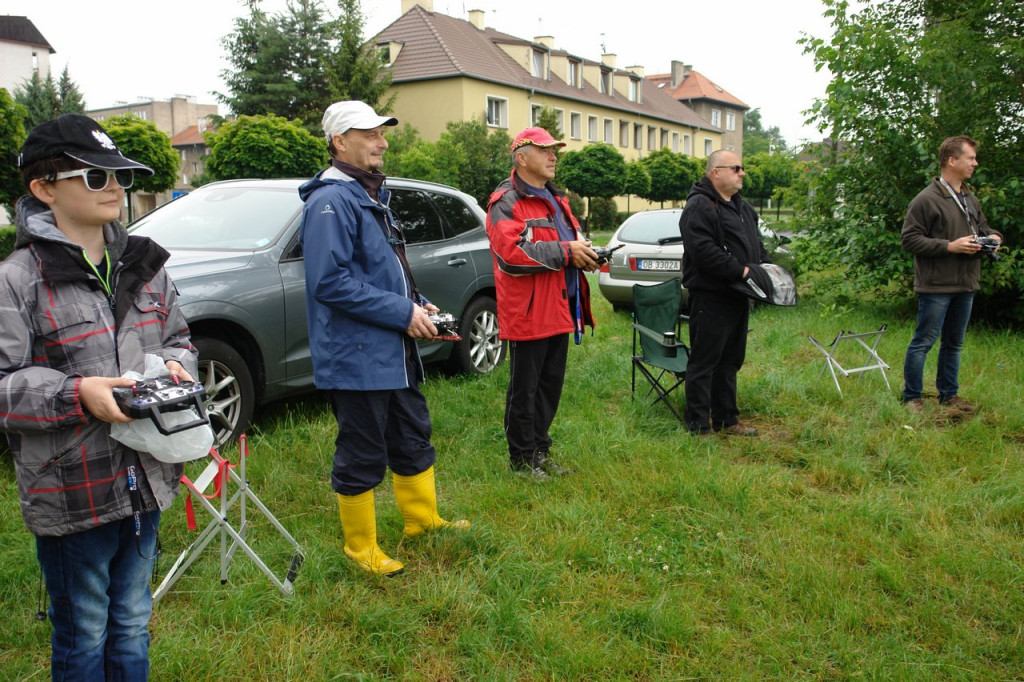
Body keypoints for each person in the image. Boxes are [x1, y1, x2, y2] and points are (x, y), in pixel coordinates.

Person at [1, 114, 197, 680]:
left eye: (121, 176)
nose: (113, 187)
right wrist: (76, 392)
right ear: (44, 189)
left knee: (134, 622)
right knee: (84, 632)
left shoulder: (145, 265)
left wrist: (178, 370)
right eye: (93, 176)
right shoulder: (17, 280)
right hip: (71, 492)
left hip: (149, 478)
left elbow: (179, 339)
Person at [298, 101, 468, 577]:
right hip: (356, 356)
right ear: (339, 142)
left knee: (412, 433)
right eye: (369, 133)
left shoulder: (369, 193)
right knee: (363, 447)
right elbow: (329, 282)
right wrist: (402, 312)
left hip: (393, 350)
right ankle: (361, 549)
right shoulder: (330, 201)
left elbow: (383, 271)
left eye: (382, 132)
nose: (382, 141)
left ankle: (422, 522)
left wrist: (420, 303)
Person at [486, 127, 598, 480]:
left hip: (560, 306)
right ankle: (521, 460)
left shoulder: (556, 198)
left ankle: (540, 451)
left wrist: (587, 254)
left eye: (555, 151)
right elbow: (511, 254)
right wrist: (568, 252)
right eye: (545, 150)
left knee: (549, 387)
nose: (553, 156)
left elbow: (570, 240)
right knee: (526, 390)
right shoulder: (506, 201)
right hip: (529, 311)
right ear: (521, 157)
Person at [900, 136, 1002, 414]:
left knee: (954, 344)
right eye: (970, 158)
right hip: (936, 285)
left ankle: (949, 395)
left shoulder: (969, 196)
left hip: (965, 282)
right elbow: (909, 240)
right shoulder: (926, 199)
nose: (975, 163)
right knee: (923, 342)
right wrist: (949, 246)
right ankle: (911, 397)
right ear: (951, 161)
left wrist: (993, 237)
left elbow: (983, 226)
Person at [678, 149, 768, 437]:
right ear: (716, 172)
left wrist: (762, 268)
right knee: (705, 362)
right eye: (736, 168)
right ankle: (699, 425)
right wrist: (740, 271)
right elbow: (703, 252)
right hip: (711, 296)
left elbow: (755, 242)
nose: (742, 172)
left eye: (741, 168)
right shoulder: (699, 206)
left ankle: (728, 420)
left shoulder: (741, 206)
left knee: (730, 361)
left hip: (738, 296)